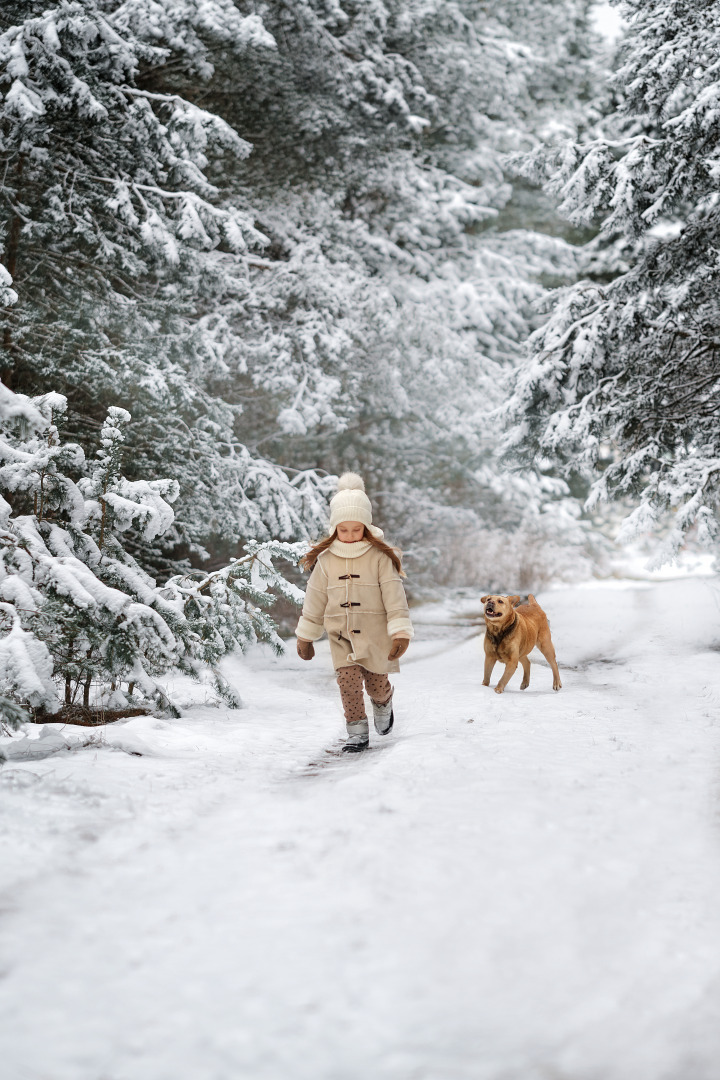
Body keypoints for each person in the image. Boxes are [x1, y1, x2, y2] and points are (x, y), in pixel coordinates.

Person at [295, 473, 414, 752]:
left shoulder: (380, 557)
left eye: (356, 529)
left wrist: (400, 632)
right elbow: (314, 599)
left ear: (367, 527)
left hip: (375, 634)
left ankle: (383, 701)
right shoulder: (325, 561)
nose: (349, 536)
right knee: (347, 682)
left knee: (375, 683)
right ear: (335, 528)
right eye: (343, 530)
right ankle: (357, 732)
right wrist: (306, 636)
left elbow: (395, 597)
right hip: (340, 634)